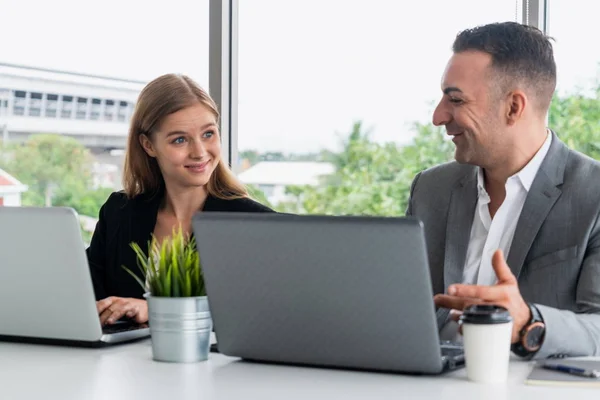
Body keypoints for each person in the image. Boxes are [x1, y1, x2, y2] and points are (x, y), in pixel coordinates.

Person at [407, 22, 600, 359]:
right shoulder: (430, 189)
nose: (438, 116)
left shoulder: (593, 194)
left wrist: (528, 322)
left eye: (455, 99)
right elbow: (403, 303)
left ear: (513, 107)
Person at [86, 74, 273, 326]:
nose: (199, 152)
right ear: (148, 145)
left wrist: (157, 311)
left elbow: (262, 314)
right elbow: (88, 298)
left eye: (208, 134)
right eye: (180, 140)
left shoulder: (256, 223)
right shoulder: (119, 212)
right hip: (122, 364)